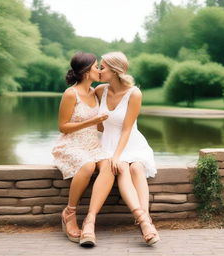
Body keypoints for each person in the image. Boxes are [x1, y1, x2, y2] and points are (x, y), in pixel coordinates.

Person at [95, 51, 160, 246]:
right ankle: (145, 223)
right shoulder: (99, 91)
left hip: (131, 142)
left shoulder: (134, 93)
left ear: (114, 71)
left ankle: (144, 221)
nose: (99, 71)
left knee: (136, 167)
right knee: (122, 167)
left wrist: (117, 155)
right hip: (108, 143)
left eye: (102, 67)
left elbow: (127, 129)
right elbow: (97, 123)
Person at [52, 52, 114, 247]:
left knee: (111, 166)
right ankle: (69, 213)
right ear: (87, 72)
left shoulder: (95, 92)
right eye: (96, 67)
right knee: (87, 167)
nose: (99, 70)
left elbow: (100, 125)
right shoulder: (71, 93)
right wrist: (93, 121)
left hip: (94, 144)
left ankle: (91, 219)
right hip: (72, 144)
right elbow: (63, 126)